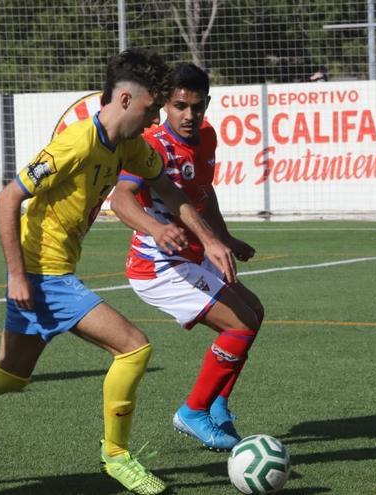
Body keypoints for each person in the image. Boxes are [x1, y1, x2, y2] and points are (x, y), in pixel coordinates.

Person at [0, 48, 235, 495]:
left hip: (51, 272)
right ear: (126, 100)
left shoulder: (129, 145)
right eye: (150, 108)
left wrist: (210, 238)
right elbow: (9, 198)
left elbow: (168, 187)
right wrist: (15, 274)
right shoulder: (76, 143)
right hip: (43, 274)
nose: (154, 118)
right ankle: (117, 457)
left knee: (9, 373)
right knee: (134, 348)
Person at [111, 63, 264, 451]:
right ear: (165, 105)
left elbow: (203, 191)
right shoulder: (152, 145)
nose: (189, 116)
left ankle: (216, 404)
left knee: (254, 313)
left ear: (207, 104)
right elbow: (122, 199)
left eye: (197, 107)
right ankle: (192, 412)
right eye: (180, 106)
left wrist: (221, 236)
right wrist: (157, 229)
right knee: (240, 324)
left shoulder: (205, 136)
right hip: (157, 265)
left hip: (192, 255)